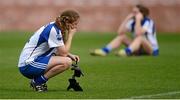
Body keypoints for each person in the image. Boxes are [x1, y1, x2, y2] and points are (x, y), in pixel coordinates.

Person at [18, 10, 80, 92]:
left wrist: (69, 54)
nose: (75, 27)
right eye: (75, 24)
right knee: (66, 62)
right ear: (67, 22)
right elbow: (63, 53)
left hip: (31, 62)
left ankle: (38, 81)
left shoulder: (56, 26)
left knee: (66, 59)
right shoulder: (53, 30)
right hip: (28, 65)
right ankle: (38, 82)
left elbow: (58, 49)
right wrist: (71, 35)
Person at [91, 4, 159, 57]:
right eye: (133, 12)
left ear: (142, 13)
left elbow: (139, 33)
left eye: (135, 12)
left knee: (140, 38)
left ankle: (127, 52)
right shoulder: (132, 21)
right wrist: (126, 19)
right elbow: (120, 32)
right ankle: (104, 51)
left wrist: (138, 19)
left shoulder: (148, 22)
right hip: (139, 49)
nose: (133, 14)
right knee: (122, 37)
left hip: (151, 50)